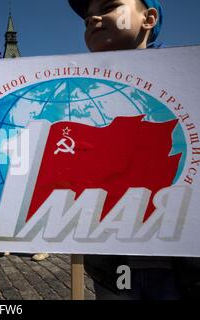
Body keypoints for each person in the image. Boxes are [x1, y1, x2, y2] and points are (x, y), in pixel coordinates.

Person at [68, 0, 185, 300]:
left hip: (182, 267)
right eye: (85, 19)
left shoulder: (187, 79)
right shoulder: (78, 98)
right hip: (111, 267)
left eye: (110, 6)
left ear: (149, 18)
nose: (93, 17)